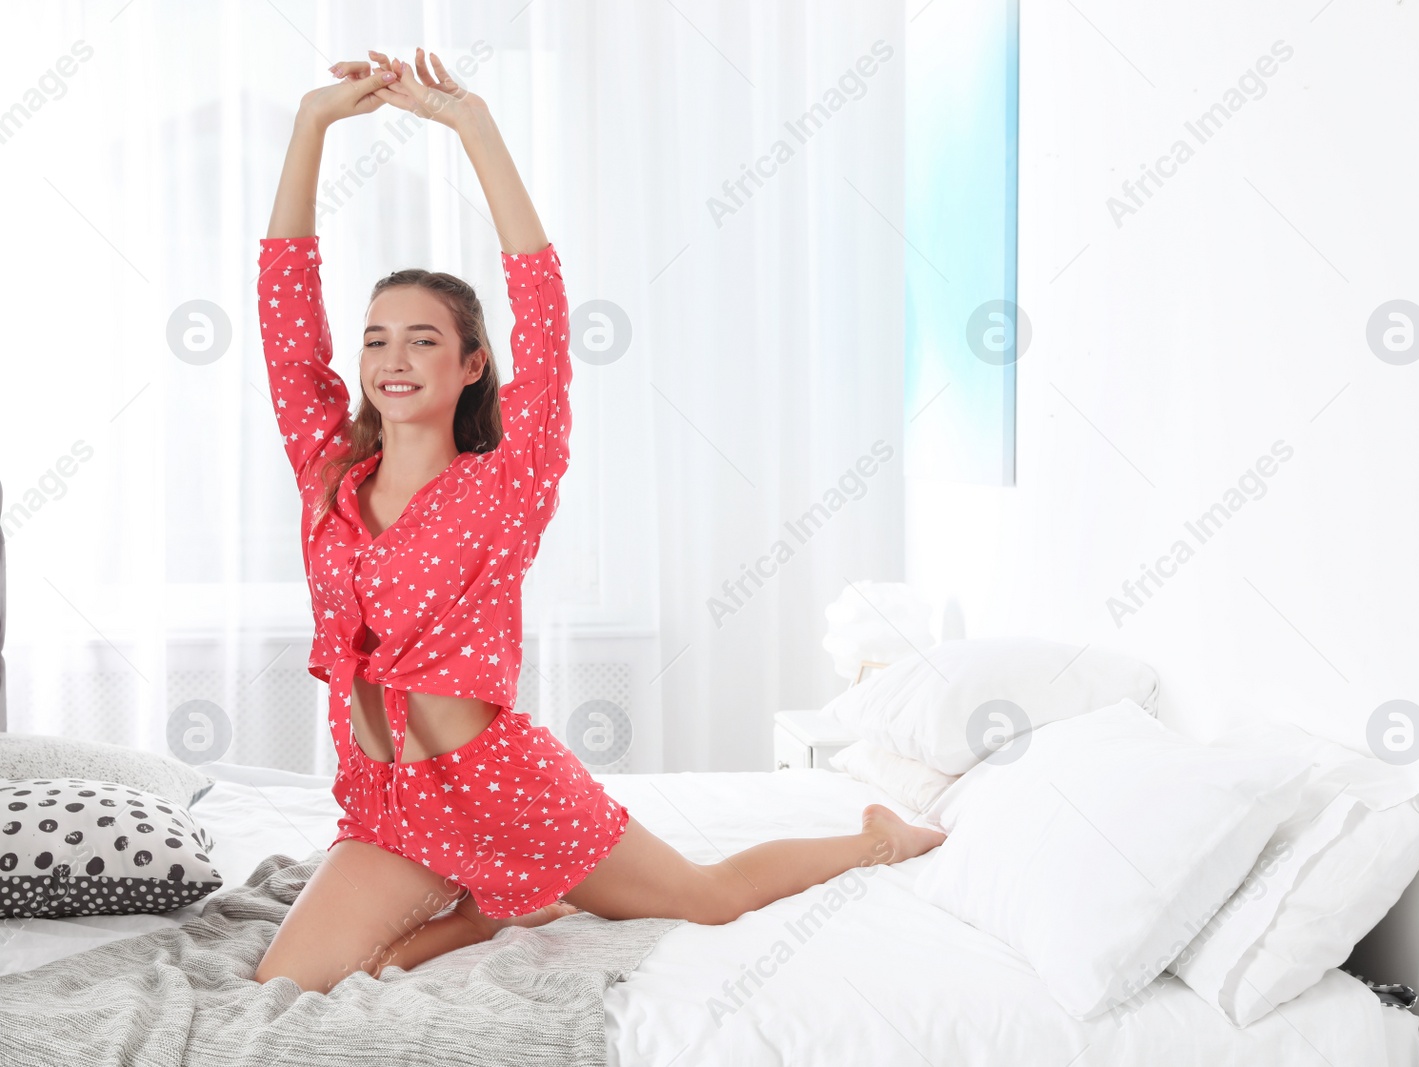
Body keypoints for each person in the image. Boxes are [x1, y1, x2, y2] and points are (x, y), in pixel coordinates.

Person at [250, 48, 944, 994]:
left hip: (503, 796)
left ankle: (875, 840)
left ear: (471, 365)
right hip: (387, 805)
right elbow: (288, 323)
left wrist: (474, 128)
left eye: (423, 338)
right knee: (284, 989)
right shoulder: (329, 474)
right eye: (376, 338)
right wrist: (312, 124)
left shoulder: (505, 484)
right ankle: (494, 905)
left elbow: (543, 314)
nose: (392, 357)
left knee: (705, 896)